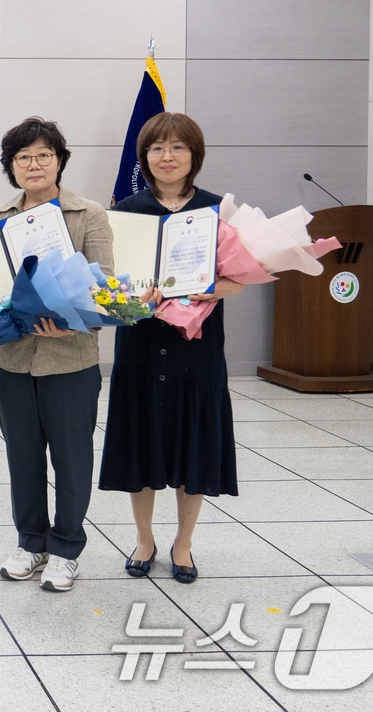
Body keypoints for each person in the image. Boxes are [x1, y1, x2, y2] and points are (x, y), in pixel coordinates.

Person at [0, 117, 112, 593]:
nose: (33, 164)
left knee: (72, 458)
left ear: (59, 161)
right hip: (13, 360)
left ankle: (66, 548)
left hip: (70, 359)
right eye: (23, 157)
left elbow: (105, 289)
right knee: (22, 456)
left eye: (43, 155)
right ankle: (31, 542)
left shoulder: (89, 215)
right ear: (11, 166)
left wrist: (72, 322)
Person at [99, 112, 241, 584]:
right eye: (157, 148)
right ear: (145, 156)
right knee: (141, 443)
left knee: (191, 443)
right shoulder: (125, 211)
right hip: (141, 342)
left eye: (178, 147)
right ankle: (144, 539)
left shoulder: (217, 210)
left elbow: (240, 279)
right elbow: (109, 285)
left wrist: (210, 289)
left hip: (195, 346)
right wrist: (126, 296)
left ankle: (183, 543)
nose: (167, 156)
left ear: (194, 155)